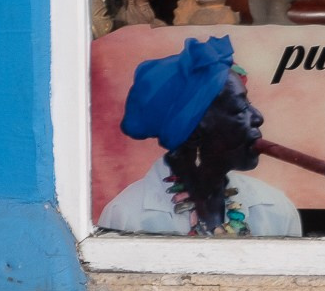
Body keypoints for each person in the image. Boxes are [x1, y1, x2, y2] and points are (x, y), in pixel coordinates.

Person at [98, 35, 302, 236]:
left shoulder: (275, 210)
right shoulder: (127, 217)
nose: (257, 117)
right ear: (194, 133)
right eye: (239, 107)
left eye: (249, 105)